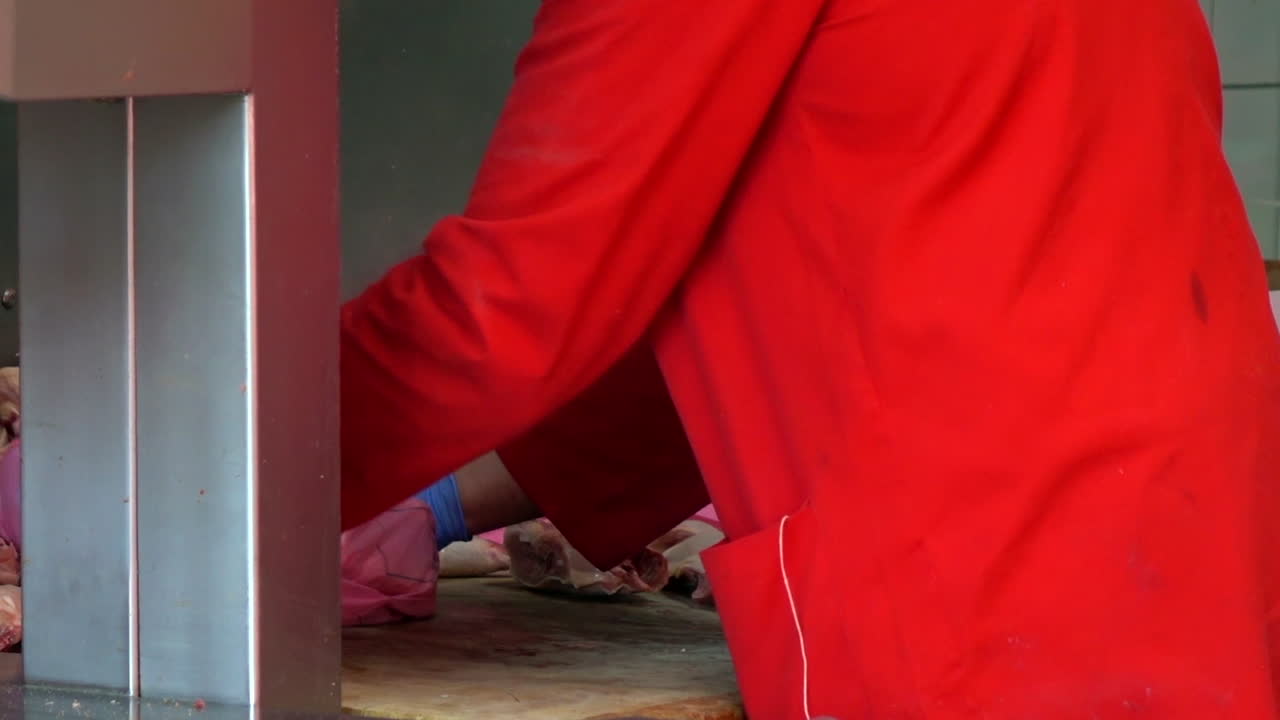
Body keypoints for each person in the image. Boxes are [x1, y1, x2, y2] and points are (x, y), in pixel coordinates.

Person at [339, 1, 1280, 717]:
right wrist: (457, 497)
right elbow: (764, 298)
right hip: (1182, 544)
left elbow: (512, 297)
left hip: (976, 593)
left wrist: (216, 466)